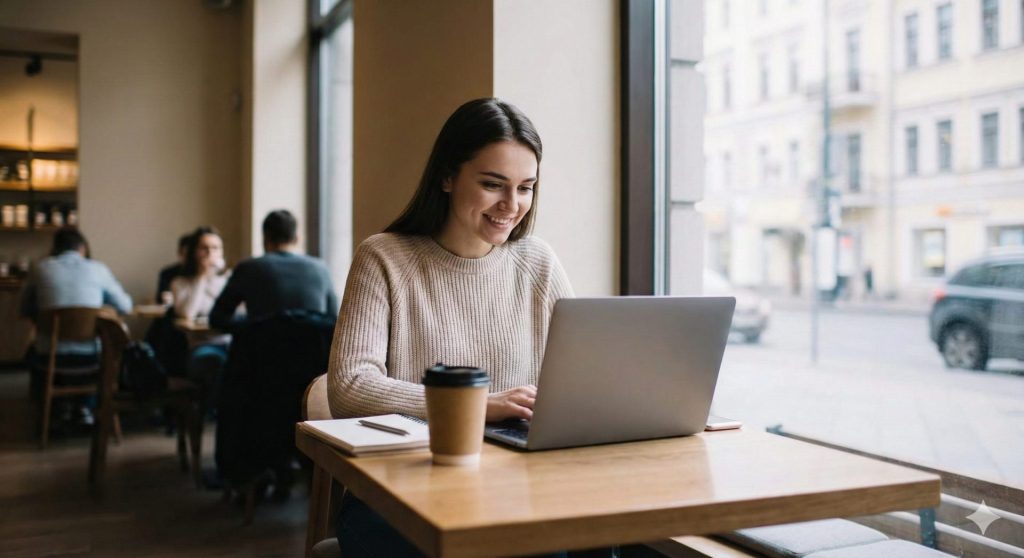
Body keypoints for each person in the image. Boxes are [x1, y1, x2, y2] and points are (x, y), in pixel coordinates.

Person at [326, 98, 574, 557]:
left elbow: (580, 375)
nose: (512, 204)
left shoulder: (538, 263)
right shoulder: (384, 257)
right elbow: (348, 387)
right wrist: (478, 405)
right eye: (493, 184)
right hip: (402, 491)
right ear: (446, 177)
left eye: (526, 187)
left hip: (516, 483)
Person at [20, 227, 132, 422]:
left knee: (32, 352)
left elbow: (23, 308)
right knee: (101, 352)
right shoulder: (98, 269)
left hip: (49, 358)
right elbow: (126, 306)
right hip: (90, 358)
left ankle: (52, 409)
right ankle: (85, 407)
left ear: (55, 248)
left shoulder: (40, 268)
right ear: (82, 248)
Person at [209, 210, 338, 330]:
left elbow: (217, 318)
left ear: (265, 238)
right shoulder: (321, 269)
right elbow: (334, 319)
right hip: (313, 352)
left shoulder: (249, 268)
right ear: (296, 239)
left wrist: (254, 324)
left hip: (260, 352)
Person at [170, 226, 231, 407]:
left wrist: (217, 277)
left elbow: (234, 310)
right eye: (204, 248)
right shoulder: (180, 282)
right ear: (194, 252)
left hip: (230, 343)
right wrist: (202, 277)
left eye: (215, 248)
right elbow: (187, 313)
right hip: (202, 345)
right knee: (215, 362)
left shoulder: (228, 280)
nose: (209, 253)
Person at [156, 233, 191, 302]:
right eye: (186, 255)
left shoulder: (204, 274)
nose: (189, 259)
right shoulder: (167, 273)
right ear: (180, 253)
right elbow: (159, 299)